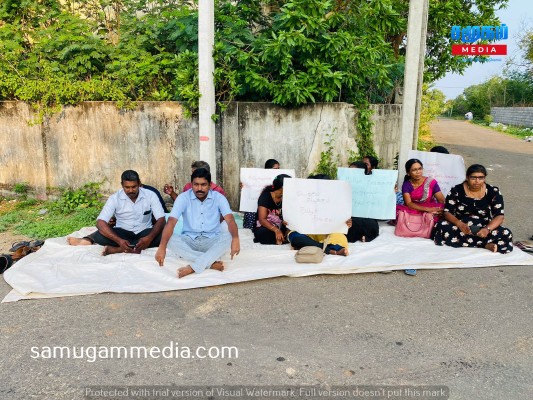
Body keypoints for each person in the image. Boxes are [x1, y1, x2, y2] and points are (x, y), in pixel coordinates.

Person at [155, 168, 240, 278]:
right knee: (167, 238)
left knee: (230, 236)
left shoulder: (219, 198)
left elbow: (230, 220)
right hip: (189, 241)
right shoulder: (183, 198)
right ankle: (209, 262)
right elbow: (171, 223)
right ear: (191, 184)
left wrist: (236, 239)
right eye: (196, 184)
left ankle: (193, 267)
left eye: (203, 185)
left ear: (210, 185)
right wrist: (162, 247)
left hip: (212, 240)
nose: (199, 188)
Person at [67, 170, 166, 255]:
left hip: (144, 233)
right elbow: (100, 222)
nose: (131, 190)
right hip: (122, 234)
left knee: (164, 234)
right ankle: (126, 246)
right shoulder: (114, 198)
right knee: (101, 233)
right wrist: (119, 240)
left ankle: (118, 249)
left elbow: (161, 219)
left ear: (139, 184)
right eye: (127, 187)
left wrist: (149, 238)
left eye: (134, 187)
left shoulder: (150, 195)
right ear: (122, 185)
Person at [433, 164, 513, 254]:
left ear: (485, 178)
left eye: (481, 178)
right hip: (460, 225)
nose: (477, 181)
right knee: (441, 226)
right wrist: (459, 224)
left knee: (506, 233)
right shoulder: (456, 190)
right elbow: (447, 212)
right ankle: (485, 244)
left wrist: (487, 229)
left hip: (483, 226)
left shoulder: (493, 191)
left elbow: (499, 216)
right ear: (467, 177)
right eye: (473, 178)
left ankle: (471, 242)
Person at [286, 174, 352, 256]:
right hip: (307, 233)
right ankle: (329, 250)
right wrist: (289, 222)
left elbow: (341, 221)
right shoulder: (301, 198)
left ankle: (308, 246)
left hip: (327, 234)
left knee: (339, 237)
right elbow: (293, 219)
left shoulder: (336, 201)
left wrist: (346, 223)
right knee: (295, 237)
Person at [396, 158, 445, 223]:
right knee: (399, 213)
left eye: (420, 169)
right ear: (408, 173)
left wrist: (440, 210)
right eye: (414, 170)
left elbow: (441, 200)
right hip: (414, 209)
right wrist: (428, 209)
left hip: (430, 207)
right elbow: (409, 203)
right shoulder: (406, 185)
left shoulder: (431, 182)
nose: (418, 172)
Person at [253, 174, 291, 245]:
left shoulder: (287, 197)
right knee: (264, 234)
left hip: (280, 225)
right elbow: (262, 219)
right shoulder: (265, 196)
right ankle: (283, 238)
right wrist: (276, 230)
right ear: (282, 187)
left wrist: (283, 222)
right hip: (266, 226)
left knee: (295, 231)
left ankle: (283, 238)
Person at [243, 159, 280, 230]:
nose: (278, 171)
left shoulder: (278, 180)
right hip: (254, 205)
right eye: (275, 169)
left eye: (278, 169)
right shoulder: (259, 178)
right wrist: (245, 187)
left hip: (268, 209)